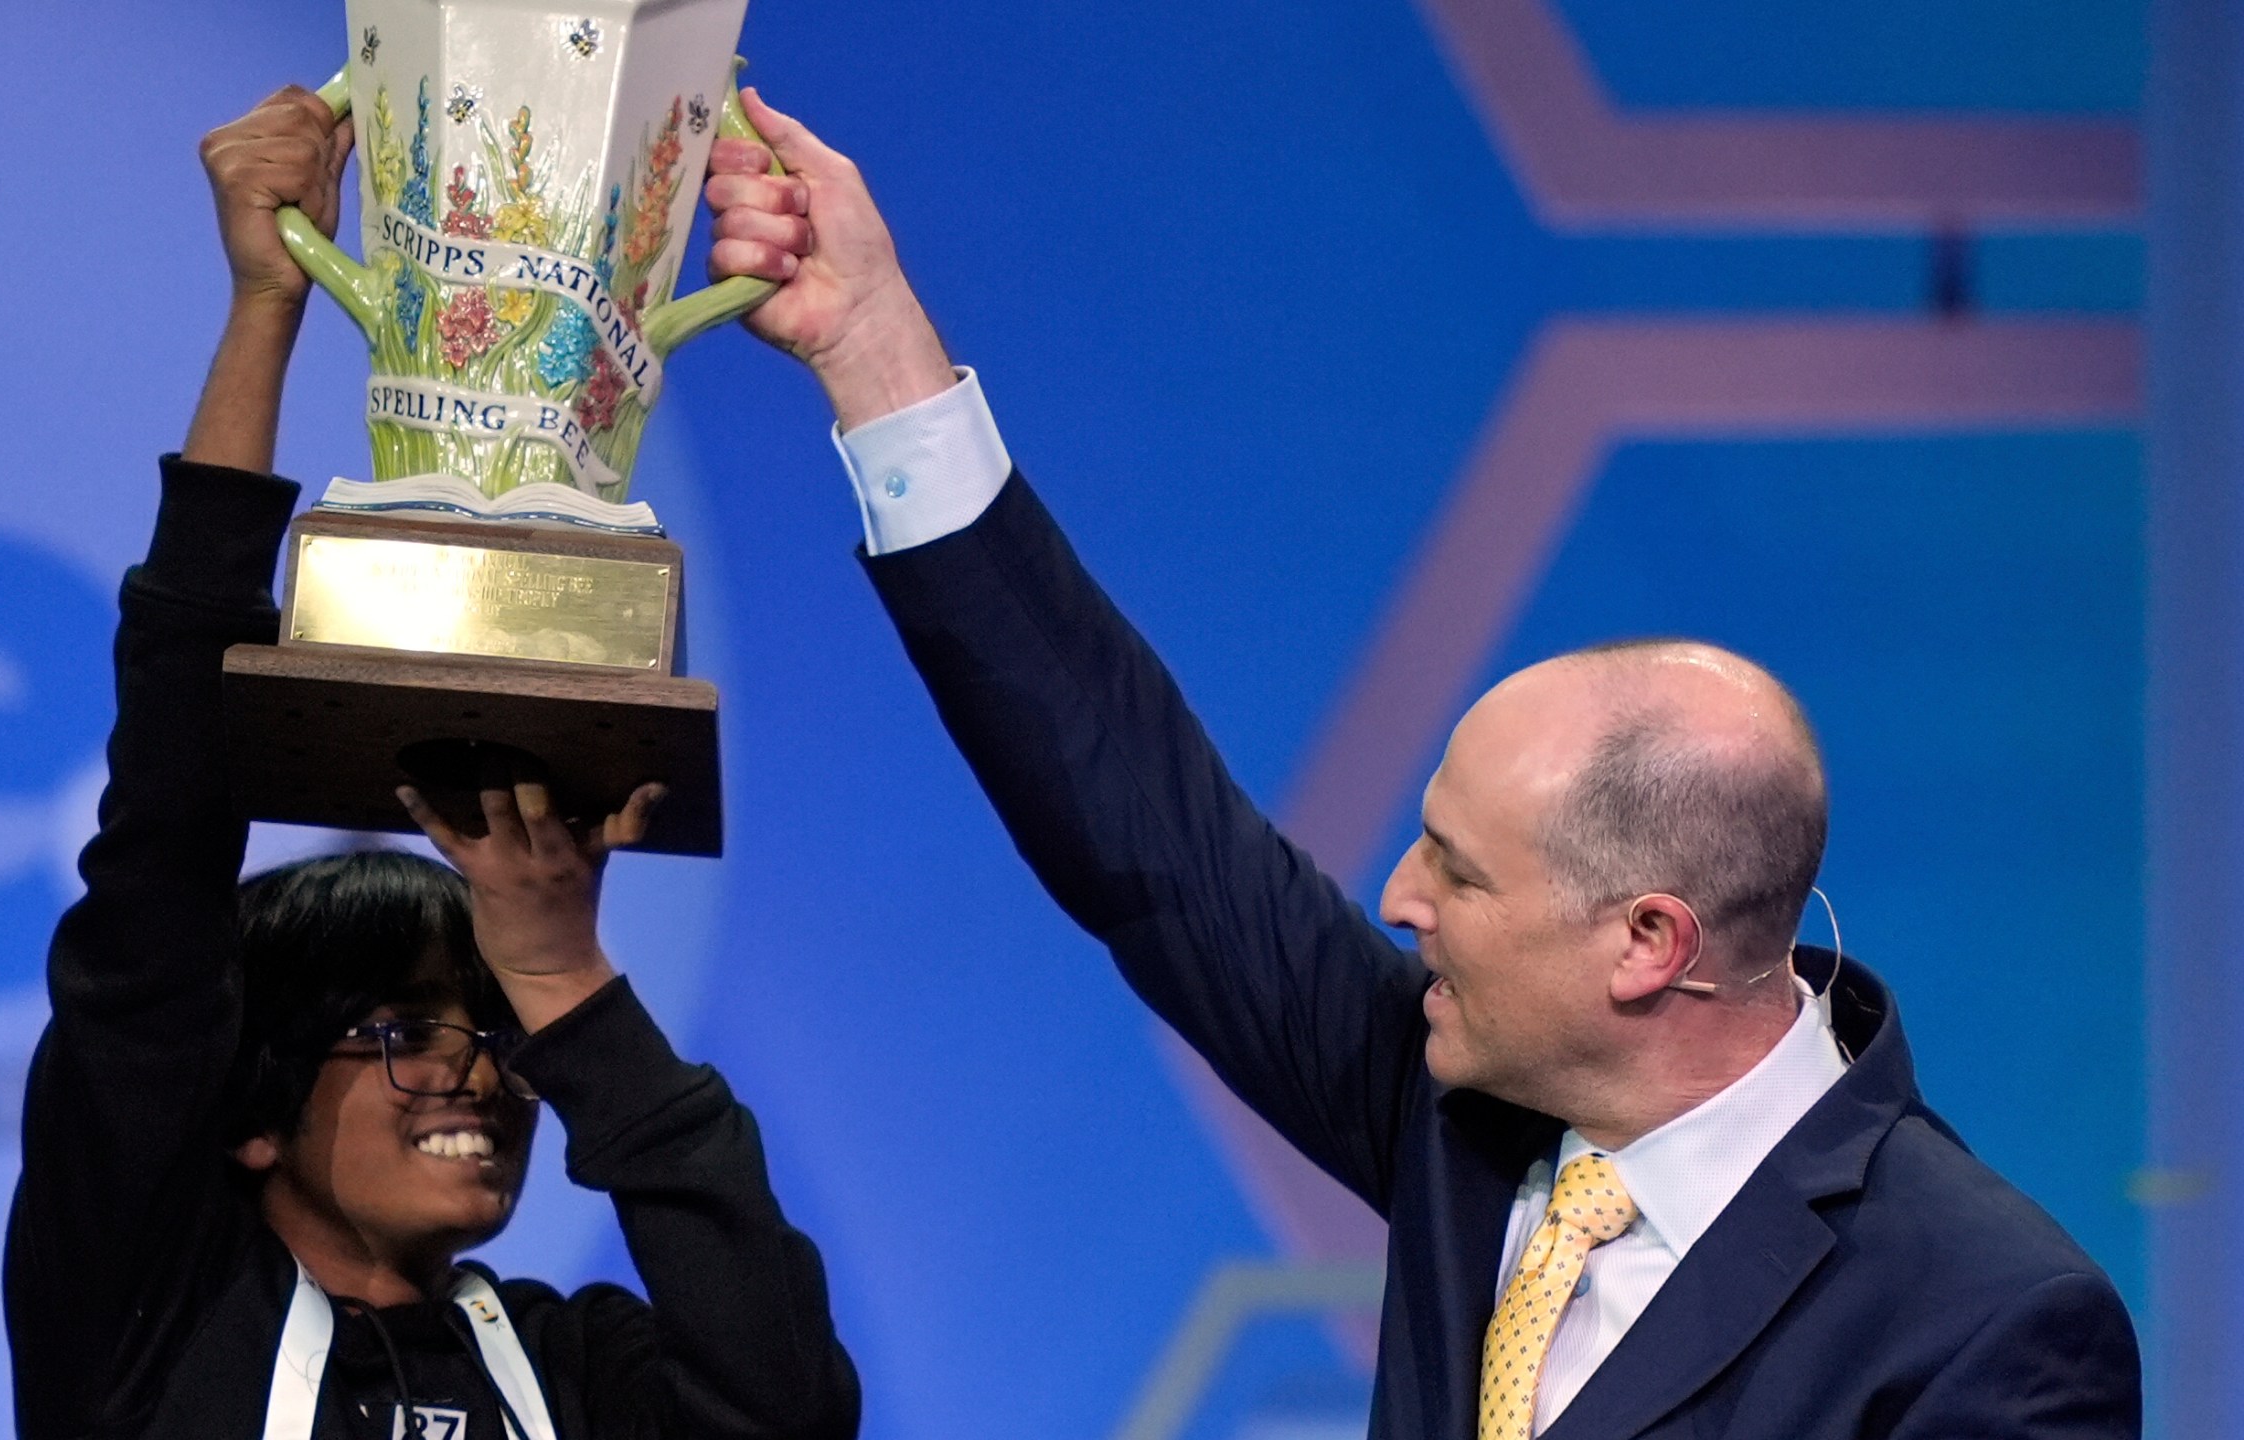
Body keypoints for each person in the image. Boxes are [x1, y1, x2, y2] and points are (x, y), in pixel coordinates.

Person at [698, 89, 2141, 1439]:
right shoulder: (1464, 1105)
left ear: (1648, 942)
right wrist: (874, 351)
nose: (1397, 898)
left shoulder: (1984, 1320)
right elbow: (1143, 827)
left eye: (1460, 870)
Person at [3, 86, 861, 1440]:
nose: (476, 1076)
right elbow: (161, 850)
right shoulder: (144, 1315)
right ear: (256, 1111)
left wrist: (564, 984)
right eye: (404, 1034)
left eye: (498, 1037)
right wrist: (266, 303)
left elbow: (792, 1410)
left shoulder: (578, 1371)